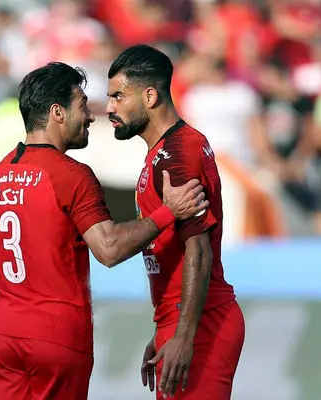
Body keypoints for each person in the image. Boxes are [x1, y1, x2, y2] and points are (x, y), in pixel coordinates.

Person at [0, 62, 209, 400]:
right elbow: (108, 249)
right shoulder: (71, 175)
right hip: (57, 339)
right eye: (82, 106)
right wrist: (169, 212)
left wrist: (26, 289)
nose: (91, 116)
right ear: (57, 112)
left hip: (3, 339)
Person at [106, 45, 245, 399]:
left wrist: (183, 335)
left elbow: (199, 249)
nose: (110, 108)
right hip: (181, 318)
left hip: (202, 322)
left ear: (150, 96)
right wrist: (165, 328)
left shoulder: (177, 154)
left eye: (118, 96)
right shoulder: (163, 152)